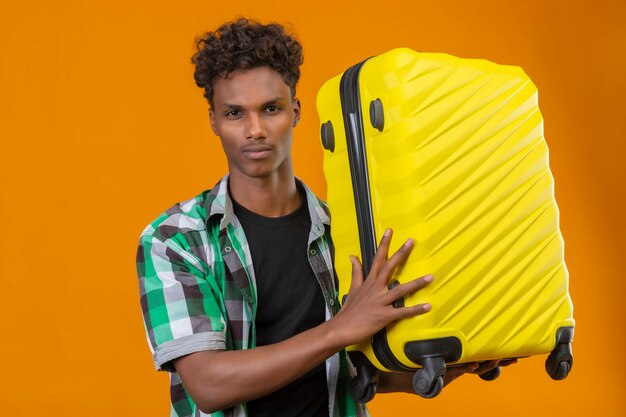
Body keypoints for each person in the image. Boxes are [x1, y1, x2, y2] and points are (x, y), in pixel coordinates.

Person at [136, 18, 506, 417]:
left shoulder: (344, 231)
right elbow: (208, 384)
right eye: (235, 113)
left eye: (271, 109)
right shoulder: (176, 239)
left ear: (295, 112)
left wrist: (455, 364)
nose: (255, 129)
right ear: (214, 121)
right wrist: (340, 329)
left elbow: (358, 372)